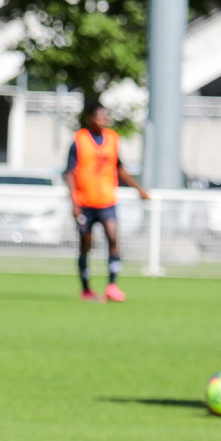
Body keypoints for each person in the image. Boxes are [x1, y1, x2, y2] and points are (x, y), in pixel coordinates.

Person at [65, 103, 150, 302]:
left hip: (107, 200)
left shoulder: (113, 139)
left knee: (113, 239)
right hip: (85, 201)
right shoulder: (79, 141)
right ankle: (86, 289)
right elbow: (69, 172)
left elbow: (119, 167)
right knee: (86, 244)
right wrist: (74, 202)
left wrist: (139, 189)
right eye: (99, 117)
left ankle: (112, 286)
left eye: (105, 117)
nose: (103, 120)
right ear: (90, 119)